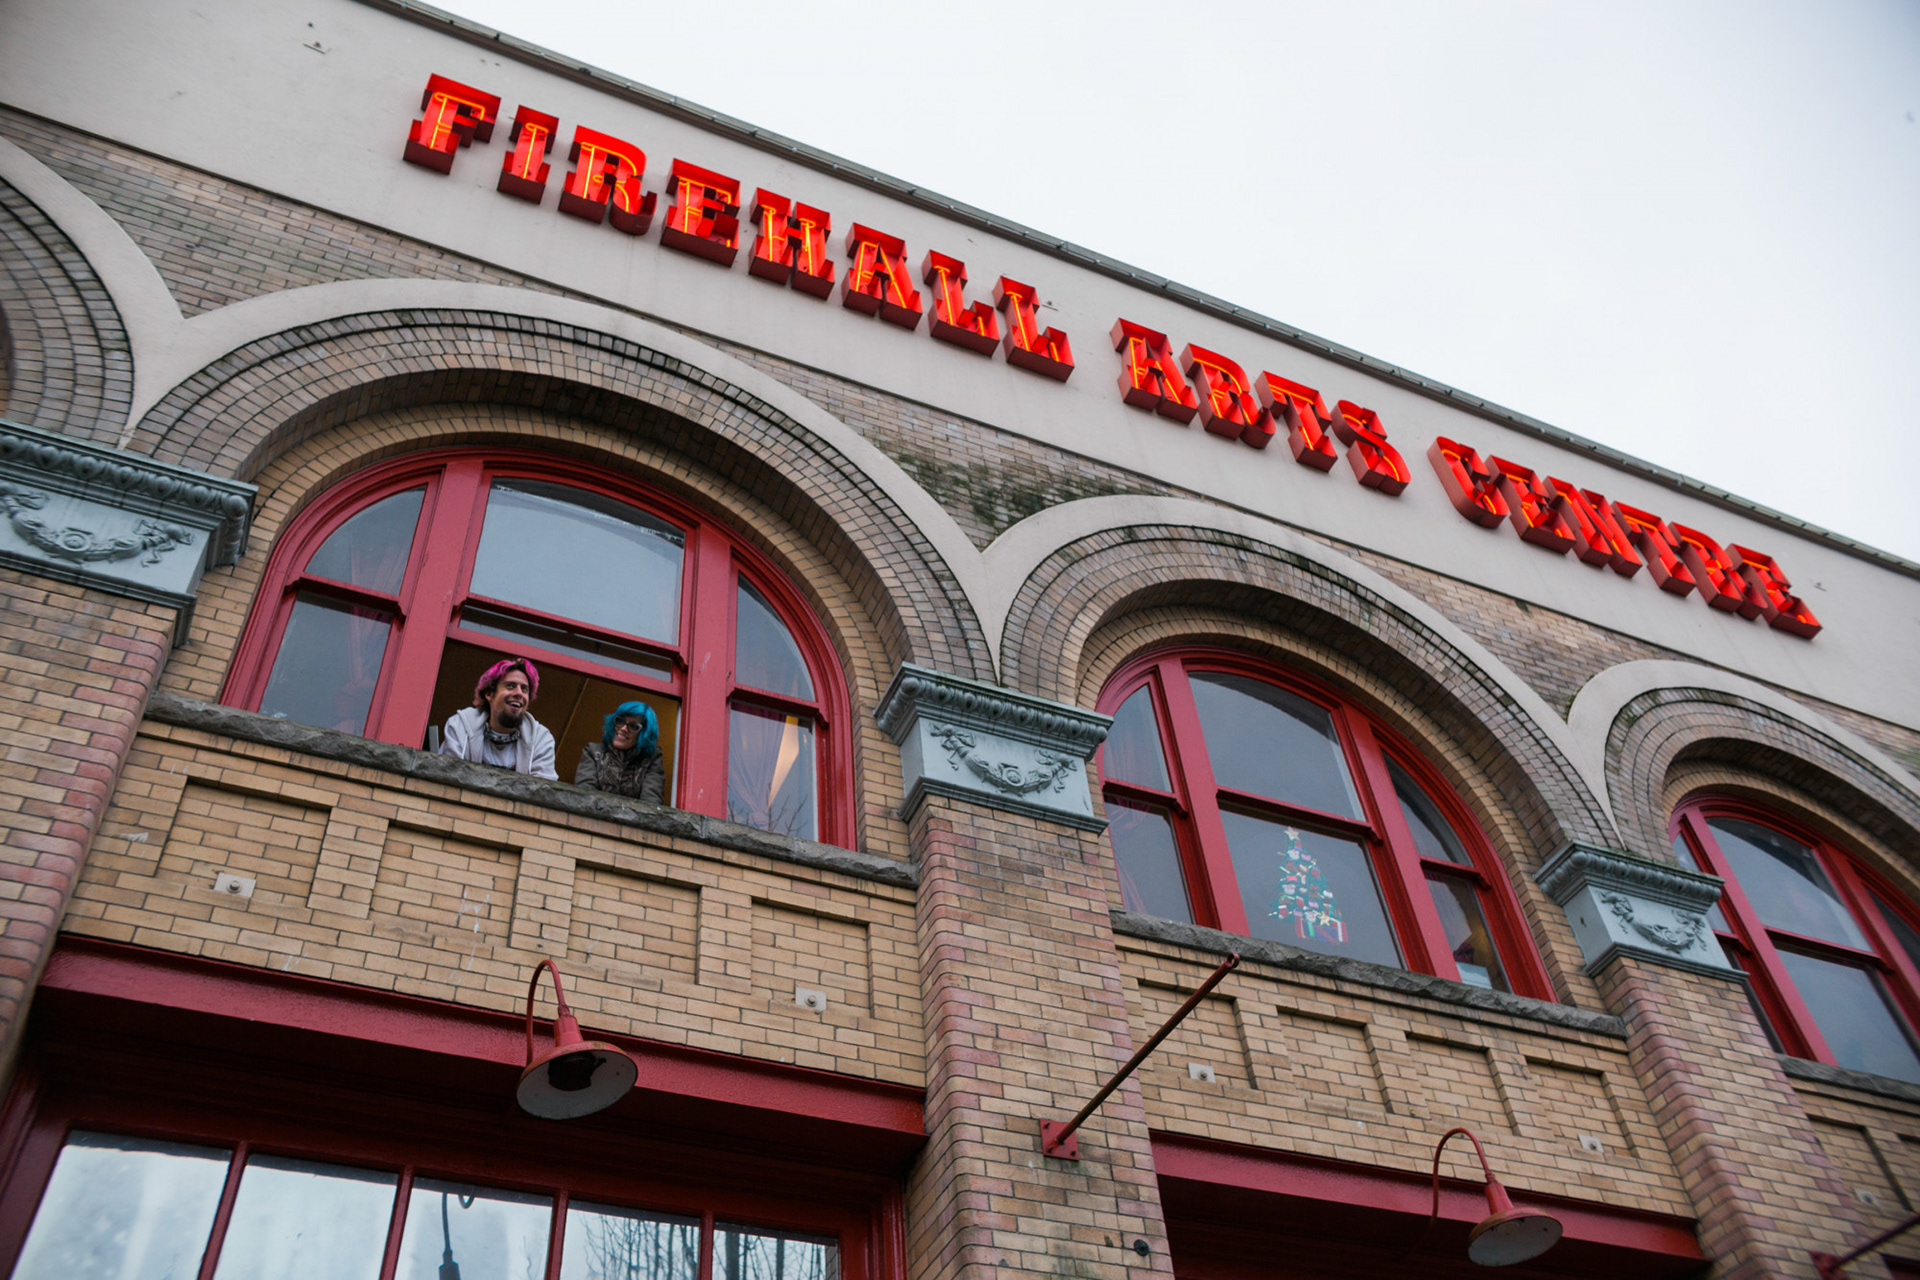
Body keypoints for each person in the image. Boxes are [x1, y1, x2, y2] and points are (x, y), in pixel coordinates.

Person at [438, 657, 557, 779]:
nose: (519, 693)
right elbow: (448, 777)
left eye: (524, 689)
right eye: (510, 686)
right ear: (489, 694)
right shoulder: (461, 726)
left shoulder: (541, 739)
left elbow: (543, 792)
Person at [574, 701, 666, 803]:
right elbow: (584, 794)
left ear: (644, 734)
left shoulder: (651, 759)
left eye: (633, 726)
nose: (623, 728)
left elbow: (651, 802)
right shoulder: (593, 752)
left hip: (635, 818)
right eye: (620, 721)